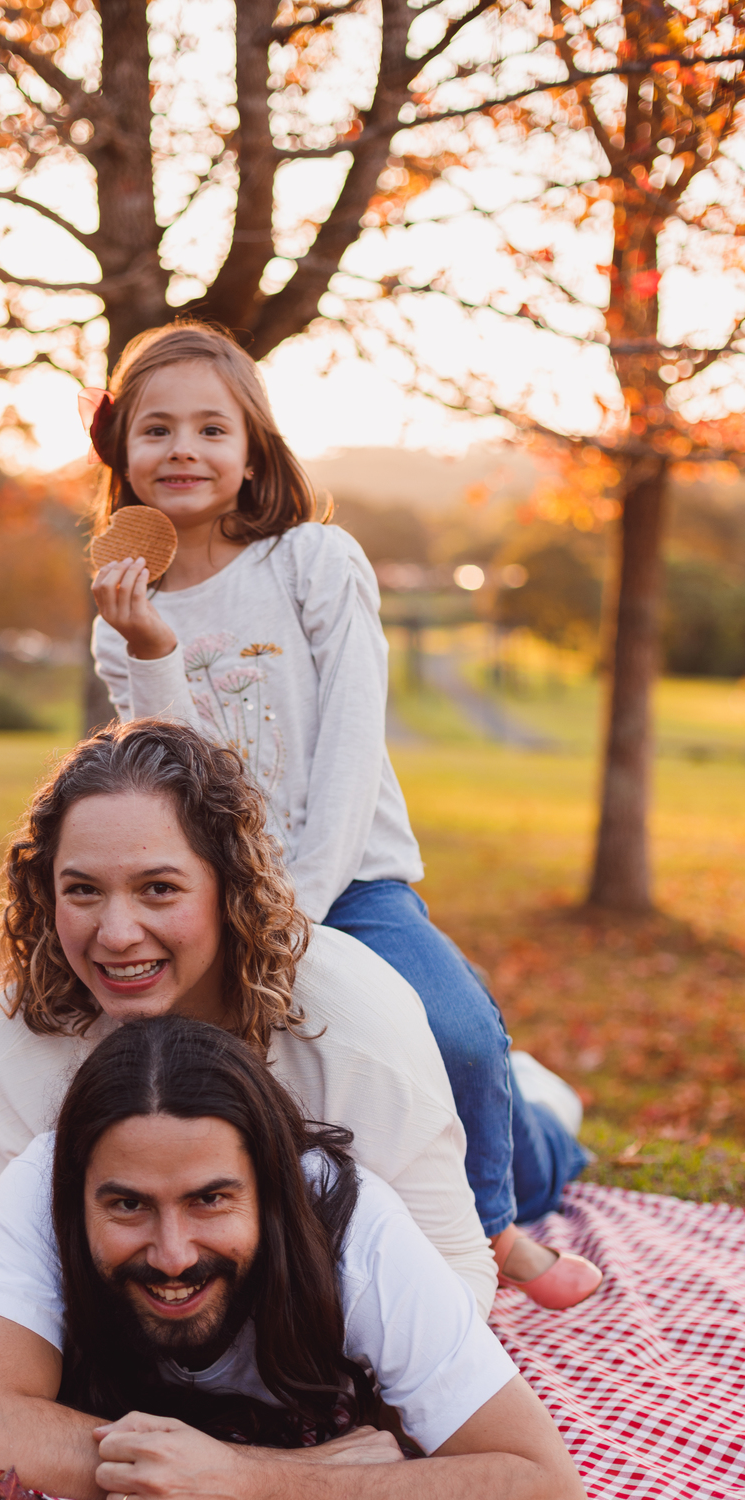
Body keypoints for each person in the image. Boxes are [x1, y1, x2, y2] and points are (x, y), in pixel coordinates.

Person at [83, 320, 595, 1309]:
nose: (184, 449)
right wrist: (150, 646)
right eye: (156, 429)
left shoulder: (312, 561)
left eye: (211, 429)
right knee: (103, 1030)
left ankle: (496, 1218)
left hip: (349, 880)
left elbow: (355, 747)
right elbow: (174, 782)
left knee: (455, 1038)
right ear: (123, 453)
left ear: (251, 452)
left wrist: (300, 910)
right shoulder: (122, 618)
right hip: (218, 890)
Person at [0, 720, 599, 1313]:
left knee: (534, 1168)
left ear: (229, 890)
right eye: (82, 890)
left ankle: (540, 1101)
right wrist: (2, 1330)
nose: (115, 934)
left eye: (159, 888)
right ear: (47, 892)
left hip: (443, 1131)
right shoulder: (25, 1014)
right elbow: (19, 1258)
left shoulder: (348, 1028)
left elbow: (456, 1269)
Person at [0, 1013, 592, 1500]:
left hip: (510, 1154)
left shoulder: (358, 1233)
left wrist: (250, 1491)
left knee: (540, 1164)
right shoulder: (40, 1186)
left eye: (210, 1199)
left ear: (272, 1193)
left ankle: (541, 1100)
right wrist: (283, 1473)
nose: (172, 1255)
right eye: (129, 1206)